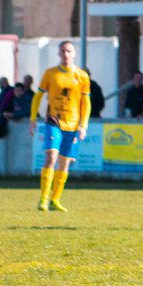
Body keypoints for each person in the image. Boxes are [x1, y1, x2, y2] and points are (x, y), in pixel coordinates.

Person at [30, 41, 91, 213]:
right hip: (53, 121)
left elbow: (86, 102)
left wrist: (83, 125)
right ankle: (43, 199)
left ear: (74, 53)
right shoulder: (50, 74)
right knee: (51, 156)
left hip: (72, 124)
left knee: (64, 164)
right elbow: (38, 96)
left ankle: (55, 200)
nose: (66, 54)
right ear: (58, 53)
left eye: (69, 51)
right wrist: (33, 118)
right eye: (63, 51)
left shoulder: (82, 76)